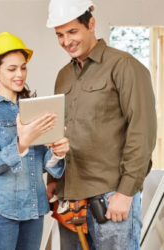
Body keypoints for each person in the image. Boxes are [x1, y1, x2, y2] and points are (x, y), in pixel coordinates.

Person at [45, 1, 157, 249]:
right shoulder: (64, 75)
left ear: (91, 25)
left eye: (72, 32)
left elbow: (142, 130)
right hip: (70, 200)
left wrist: (126, 192)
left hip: (110, 197)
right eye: (59, 35)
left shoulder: (124, 66)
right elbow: (60, 132)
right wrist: (54, 180)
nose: (66, 41)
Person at [0, 31, 70, 250]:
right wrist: (22, 143)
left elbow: (42, 166)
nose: (20, 74)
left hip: (34, 210)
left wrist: (57, 152)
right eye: (12, 68)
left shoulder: (34, 108)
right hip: (0, 210)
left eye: (23, 67)